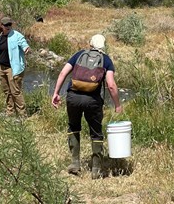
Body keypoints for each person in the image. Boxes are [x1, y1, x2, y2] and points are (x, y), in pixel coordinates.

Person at [51, 34, 123, 179]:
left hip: (73, 97)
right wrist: (117, 105)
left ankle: (75, 164)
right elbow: (111, 85)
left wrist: (56, 92)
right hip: (93, 101)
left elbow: (63, 72)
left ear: (90, 44)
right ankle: (96, 170)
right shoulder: (106, 60)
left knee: (73, 127)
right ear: (103, 46)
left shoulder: (78, 55)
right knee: (96, 132)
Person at [0, 17, 31, 118]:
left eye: (10, 24)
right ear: (1, 26)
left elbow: (23, 43)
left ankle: (22, 115)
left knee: (15, 91)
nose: (8, 26)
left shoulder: (17, 35)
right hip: (2, 68)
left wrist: (26, 48)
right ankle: (10, 112)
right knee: (7, 91)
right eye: (6, 25)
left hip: (14, 69)